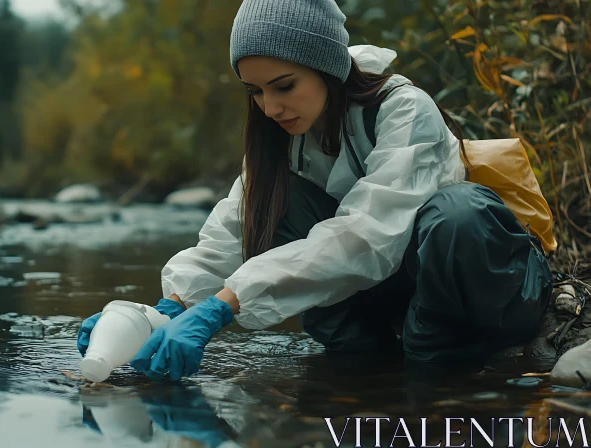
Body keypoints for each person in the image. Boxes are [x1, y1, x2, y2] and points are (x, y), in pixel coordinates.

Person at [77, 0, 553, 381]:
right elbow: (231, 231)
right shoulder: (282, 142)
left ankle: (437, 358)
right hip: (399, 299)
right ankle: (378, 354)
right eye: (255, 91)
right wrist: (166, 308)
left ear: (326, 67)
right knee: (275, 201)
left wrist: (226, 304)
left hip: (488, 290)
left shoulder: (403, 110)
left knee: (457, 213)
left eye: (284, 86)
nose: (269, 107)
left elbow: (367, 235)